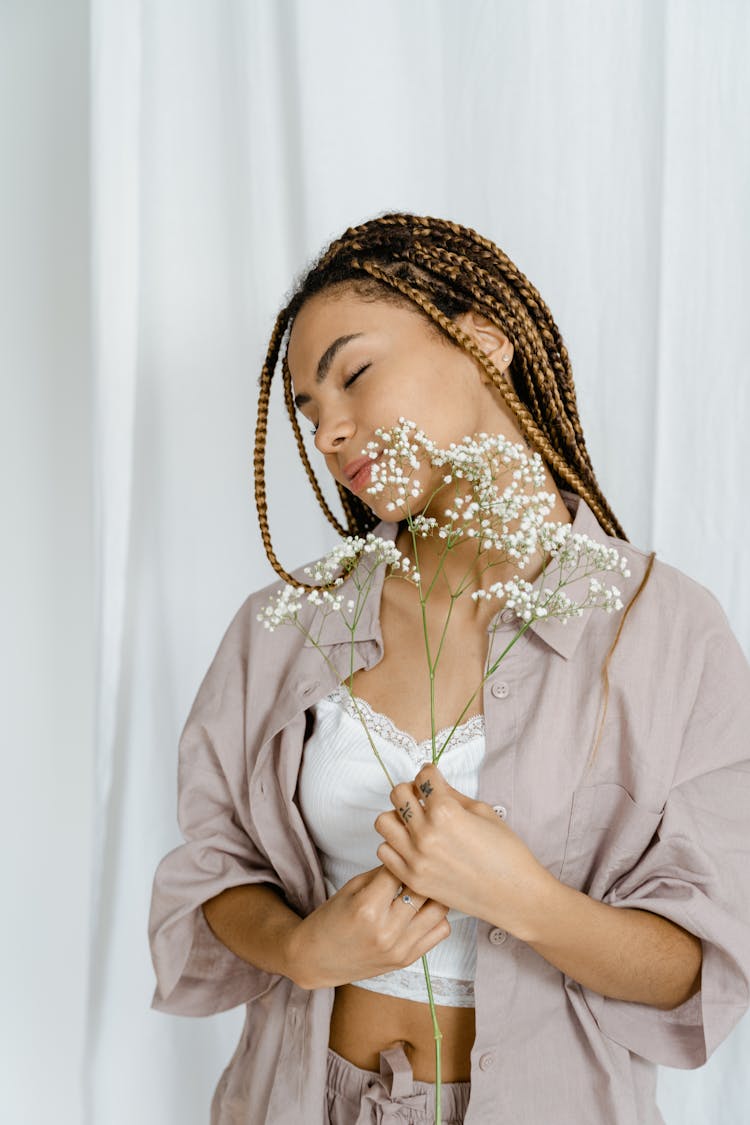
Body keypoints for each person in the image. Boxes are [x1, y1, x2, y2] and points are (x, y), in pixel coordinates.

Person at [148, 212, 750, 1125]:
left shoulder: (663, 629)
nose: (333, 432)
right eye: (309, 412)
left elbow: (700, 966)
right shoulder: (289, 625)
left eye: (354, 374)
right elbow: (213, 869)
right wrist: (307, 947)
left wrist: (528, 900)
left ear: (482, 340)